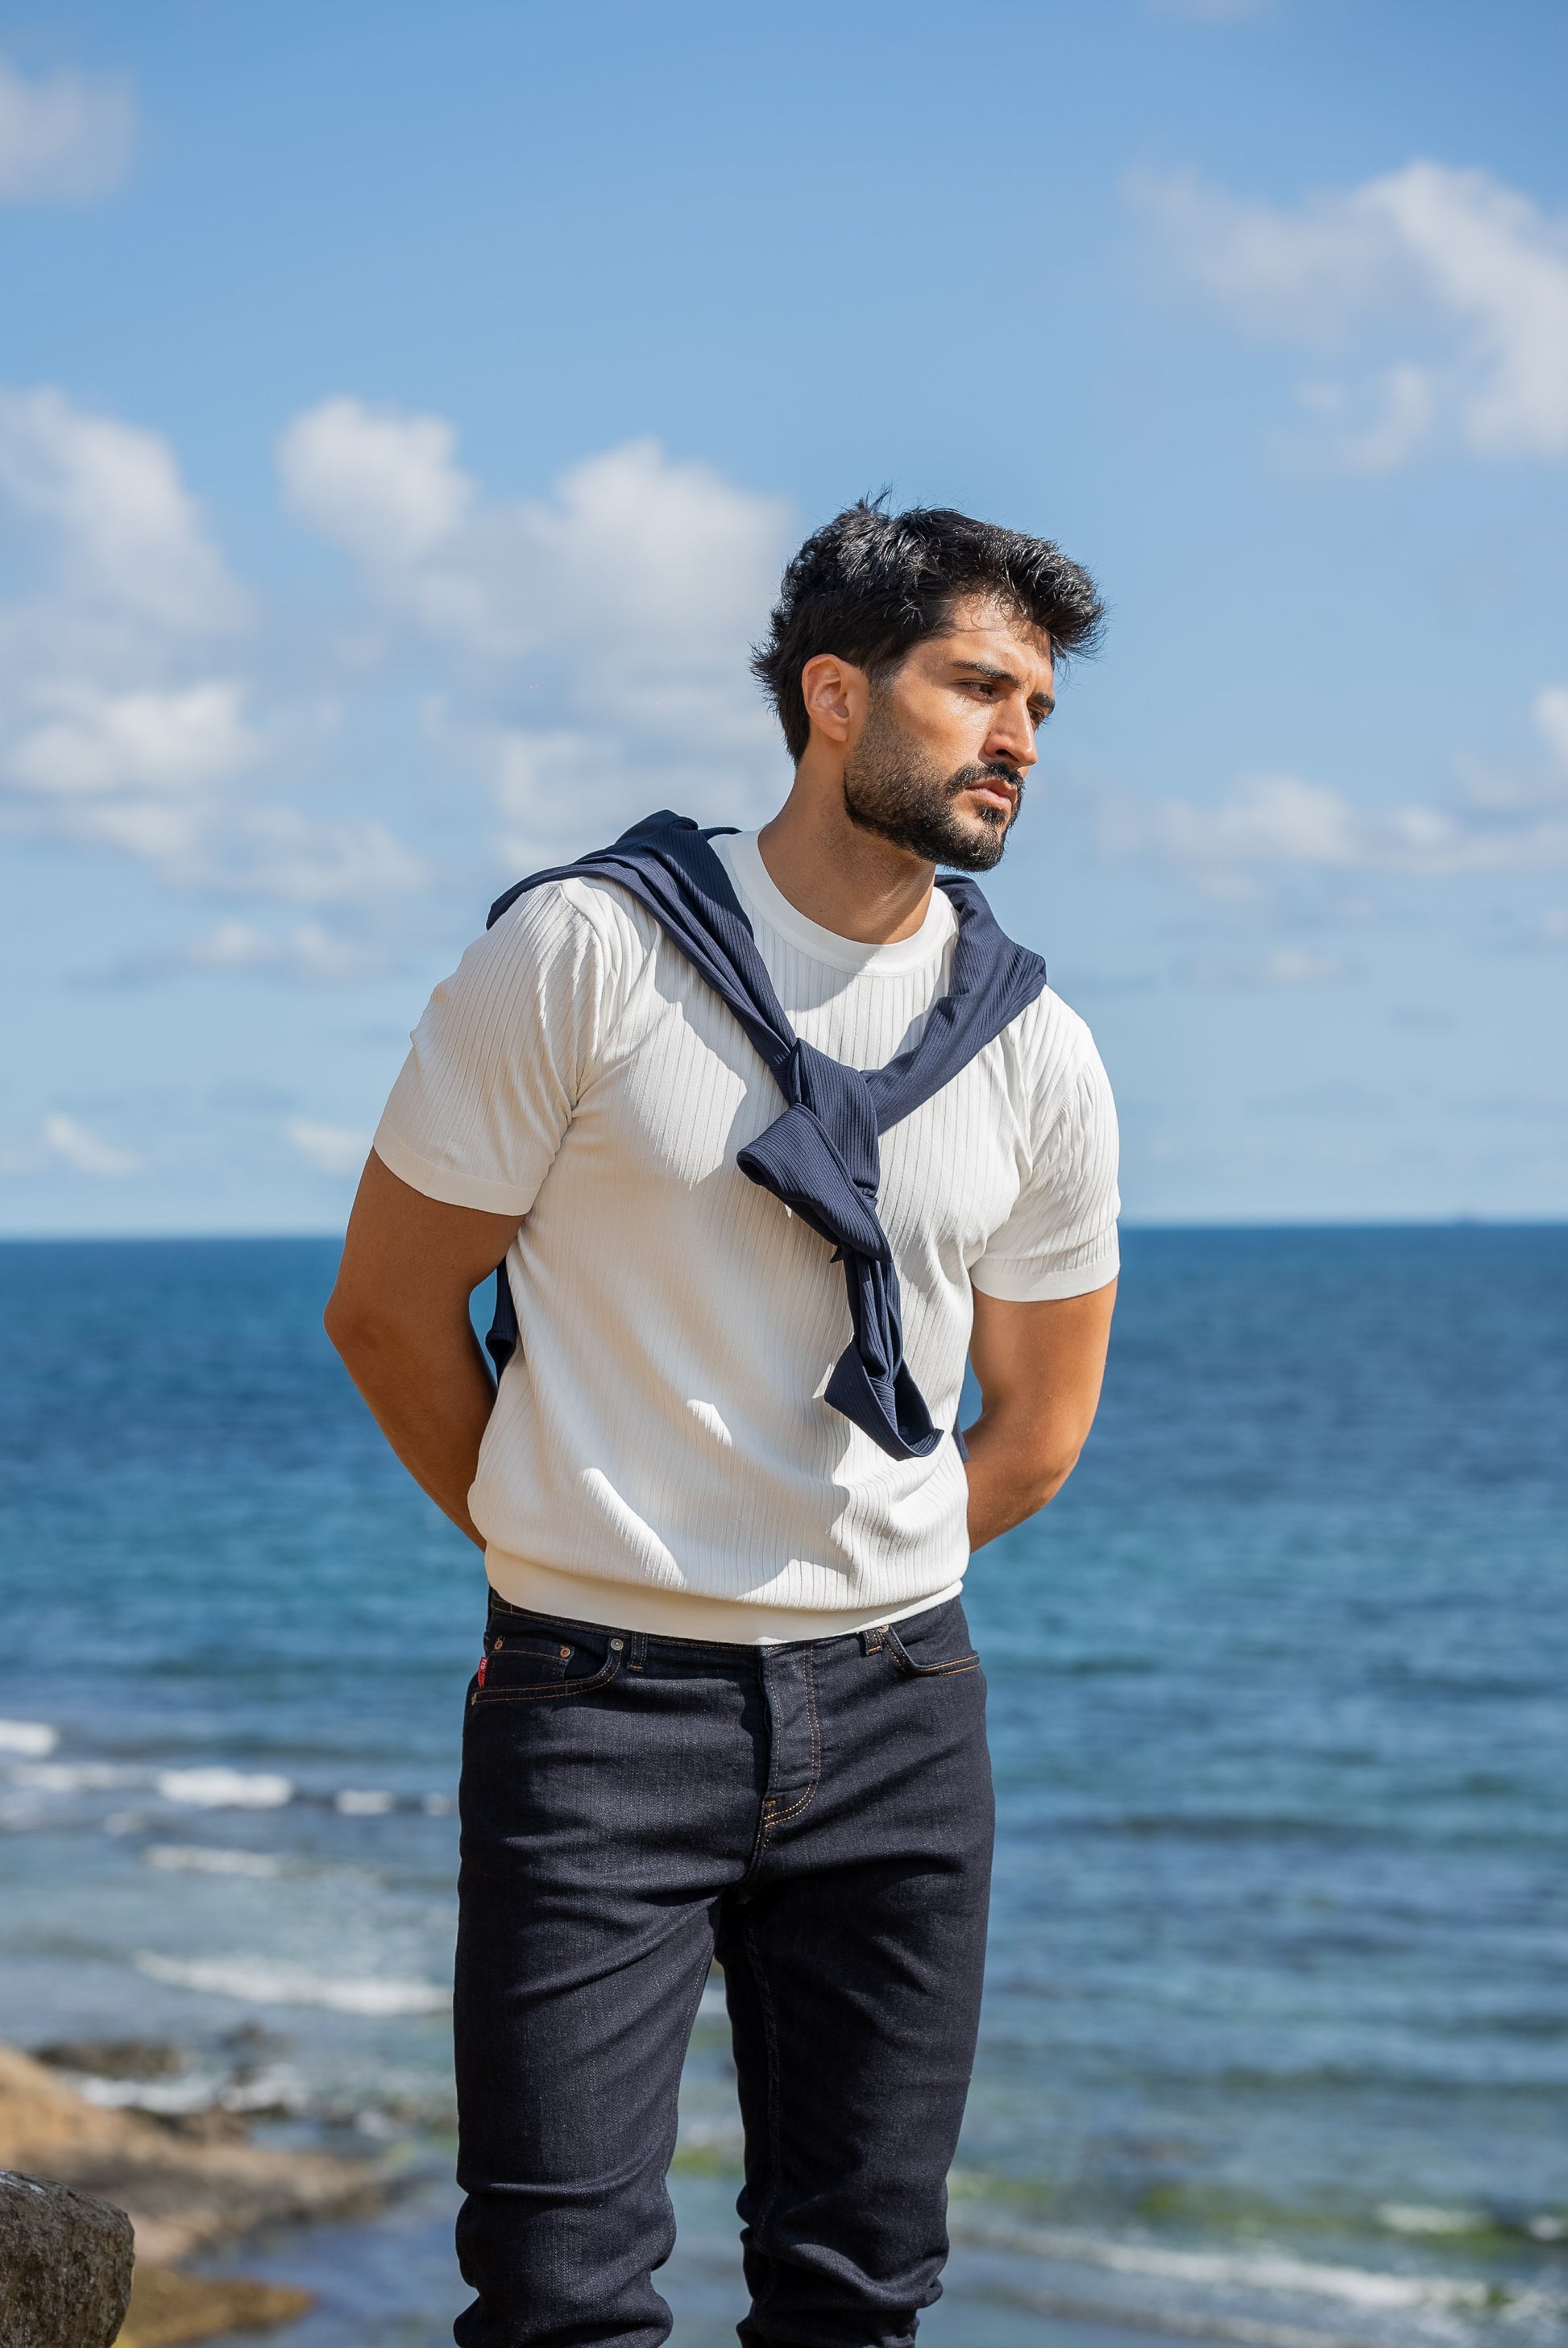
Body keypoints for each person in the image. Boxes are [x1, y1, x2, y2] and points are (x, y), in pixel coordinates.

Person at [326, 498, 1121, 2348]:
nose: (1017, 737)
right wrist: (585, 1542)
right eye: (976, 686)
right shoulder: (587, 954)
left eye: (1040, 710)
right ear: (832, 695)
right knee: (557, 2292)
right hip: (595, 1711)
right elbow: (386, 1306)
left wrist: (842, 1582)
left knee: (857, 2293)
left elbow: (1038, 1424)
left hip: (903, 1724)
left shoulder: (1035, 1047)